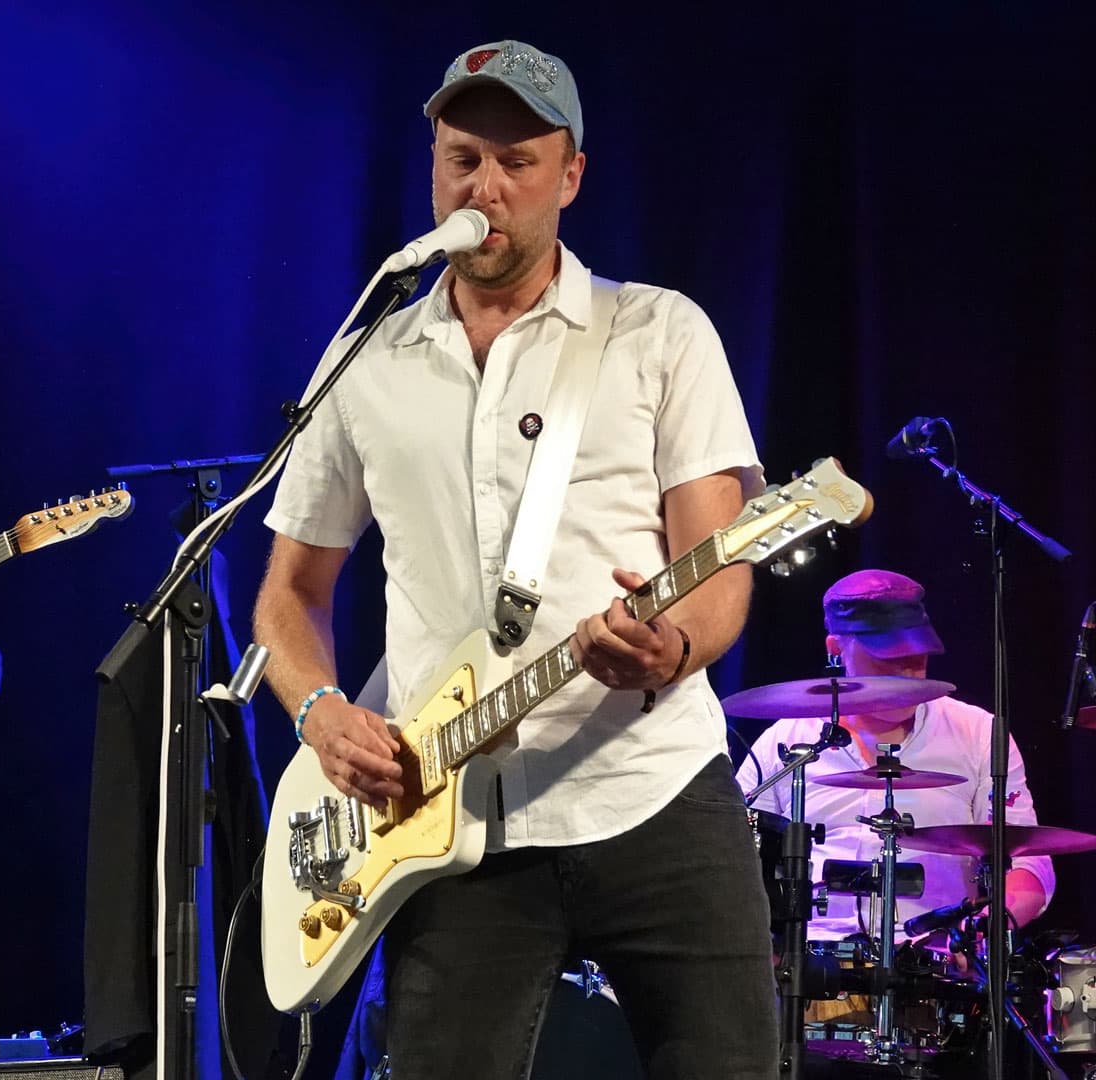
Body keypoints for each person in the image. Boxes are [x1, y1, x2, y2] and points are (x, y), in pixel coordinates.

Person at [253, 40, 776, 1078]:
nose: (485, 186)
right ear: (434, 170)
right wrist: (320, 714)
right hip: (449, 819)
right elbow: (288, 596)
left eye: (517, 160)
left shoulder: (657, 332)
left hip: (652, 789)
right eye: (461, 158)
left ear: (570, 175)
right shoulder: (366, 361)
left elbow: (719, 568)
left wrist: (670, 647)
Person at [734, 569, 1053, 941]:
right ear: (836, 649)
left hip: (934, 962)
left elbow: (1030, 862)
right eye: (889, 656)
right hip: (809, 963)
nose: (908, 671)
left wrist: (988, 926)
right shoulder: (787, 740)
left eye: (918, 655)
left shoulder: (979, 733)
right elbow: (733, 852)